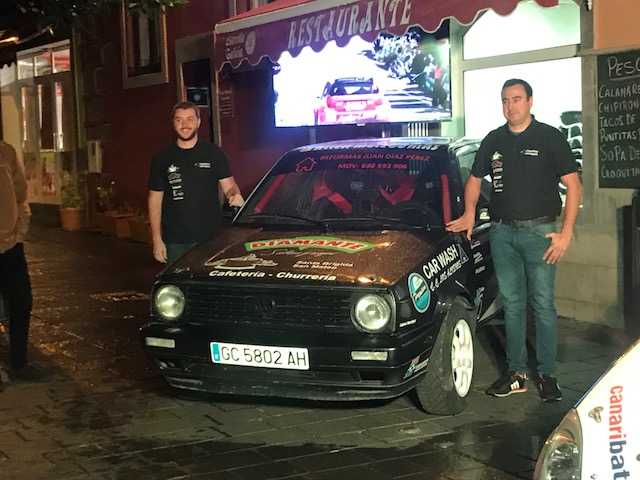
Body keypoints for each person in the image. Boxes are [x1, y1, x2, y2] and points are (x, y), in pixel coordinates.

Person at [446, 79, 582, 402]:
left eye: (517, 99)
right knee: (512, 304)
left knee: (543, 305)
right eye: (505, 100)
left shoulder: (549, 137)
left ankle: (547, 374)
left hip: (540, 233)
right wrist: (469, 213)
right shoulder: (494, 140)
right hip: (502, 233)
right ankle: (516, 373)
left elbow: (574, 186)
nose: (511, 106)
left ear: (530, 101)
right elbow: (474, 179)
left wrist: (566, 233)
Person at [148, 101, 244, 265]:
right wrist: (157, 240)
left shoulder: (213, 153)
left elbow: (229, 186)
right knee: (176, 281)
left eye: (190, 119)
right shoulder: (161, 158)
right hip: (175, 241)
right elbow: (154, 200)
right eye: (179, 120)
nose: (184, 125)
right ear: (173, 123)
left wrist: (234, 194)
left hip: (210, 238)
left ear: (198, 122)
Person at [0, 139, 34, 381]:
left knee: (21, 301)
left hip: (10, 244)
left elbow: (20, 192)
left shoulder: (5, 151)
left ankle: (19, 362)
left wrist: (20, 230)